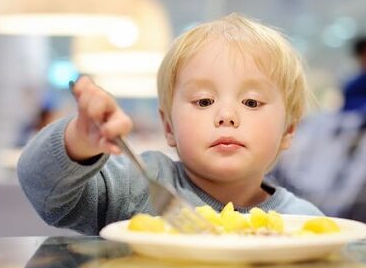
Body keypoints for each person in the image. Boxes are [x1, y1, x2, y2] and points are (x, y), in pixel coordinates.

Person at [17, 13, 323, 235]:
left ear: (288, 131)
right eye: (204, 101)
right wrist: (78, 141)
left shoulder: (303, 223)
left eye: (251, 102)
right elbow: (42, 188)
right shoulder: (138, 188)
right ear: (168, 128)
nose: (226, 116)